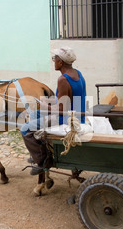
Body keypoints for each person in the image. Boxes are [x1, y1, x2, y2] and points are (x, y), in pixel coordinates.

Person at [21, 46, 87, 175]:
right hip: (77, 114)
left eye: (54, 58)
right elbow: (69, 100)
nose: (53, 61)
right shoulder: (77, 73)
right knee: (34, 114)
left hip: (67, 119)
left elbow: (61, 110)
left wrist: (46, 106)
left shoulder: (63, 79)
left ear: (60, 62)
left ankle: (43, 161)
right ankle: (40, 150)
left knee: (25, 128)